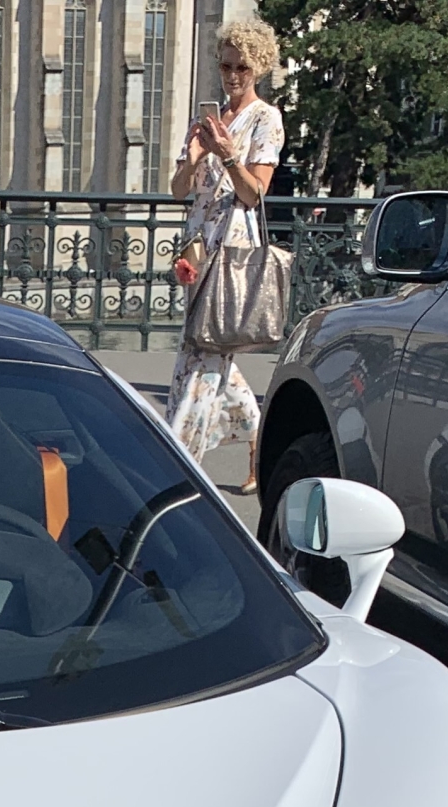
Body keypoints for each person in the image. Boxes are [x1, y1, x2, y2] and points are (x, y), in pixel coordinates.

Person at [165, 20, 284, 484]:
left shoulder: (265, 119)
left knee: (202, 354)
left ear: (258, 68)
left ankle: (179, 462)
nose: (232, 76)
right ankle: (258, 435)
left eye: (242, 67)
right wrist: (195, 155)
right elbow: (178, 191)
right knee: (203, 348)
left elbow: (255, 194)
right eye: (226, 65)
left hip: (232, 249)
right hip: (198, 244)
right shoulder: (207, 119)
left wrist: (229, 154)